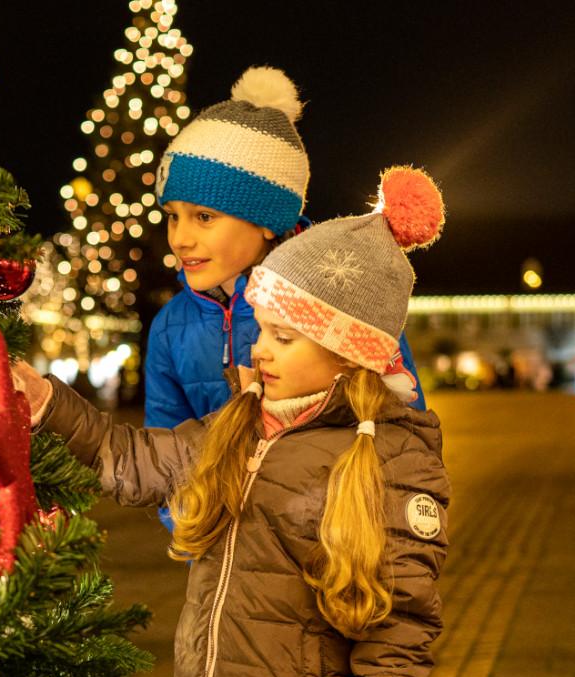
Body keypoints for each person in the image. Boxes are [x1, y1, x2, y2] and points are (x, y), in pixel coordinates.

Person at [13, 168, 450, 677]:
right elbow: (130, 458)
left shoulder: (388, 459)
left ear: (349, 355)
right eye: (262, 330)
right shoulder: (240, 426)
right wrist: (49, 404)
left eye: (285, 335)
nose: (262, 349)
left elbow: (401, 632)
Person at [145, 66, 426, 534]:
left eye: (204, 217)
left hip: (333, 553)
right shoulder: (171, 328)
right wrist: (191, 524)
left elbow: (403, 430)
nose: (180, 238)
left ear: (266, 220)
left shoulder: (339, 299)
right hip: (226, 560)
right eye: (173, 217)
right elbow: (162, 454)